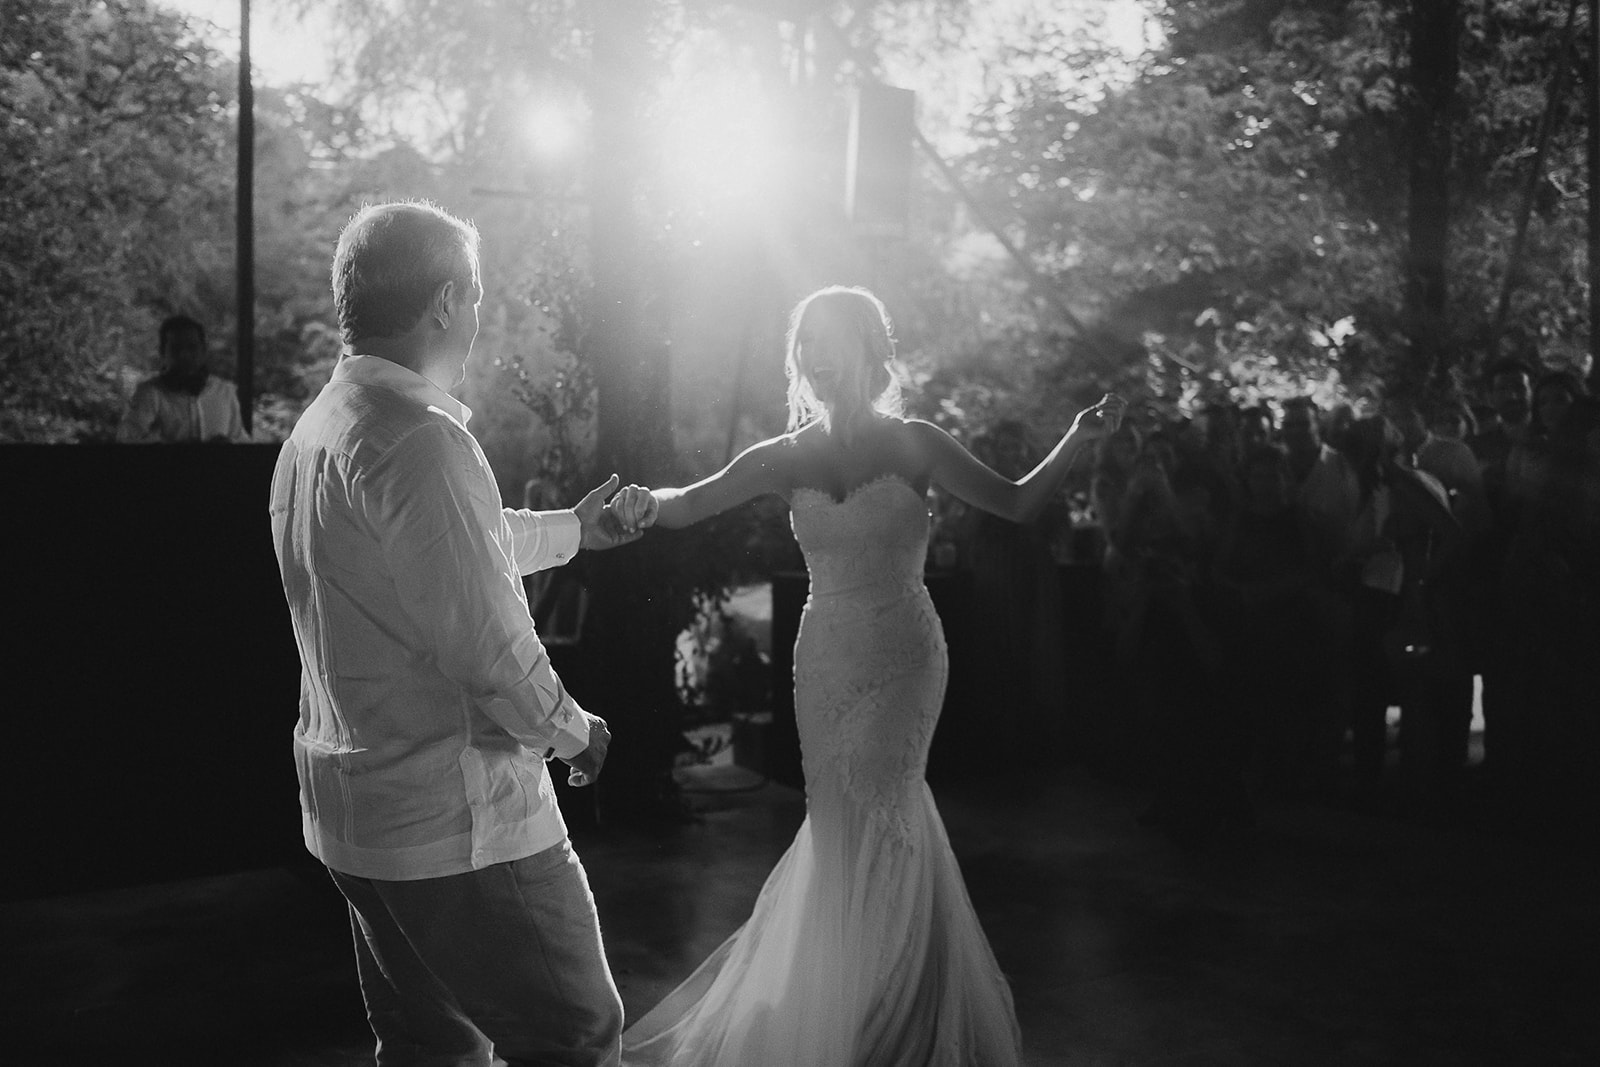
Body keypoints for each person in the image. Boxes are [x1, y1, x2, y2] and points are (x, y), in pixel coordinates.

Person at [607, 285, 1124, 1066]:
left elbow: (1015, 504)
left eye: (830, 338)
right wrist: (647, 503)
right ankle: (843, 1008)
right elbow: (695, 501)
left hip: (906, 657)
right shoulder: (784, 455)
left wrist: (1078, 438)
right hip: (826, 659)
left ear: (868, 349)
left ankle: (897, 1023)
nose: (815, 354)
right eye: (805, 341)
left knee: (885, 803)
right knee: (842, 826)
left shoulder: (915, 442)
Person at [269, 201, 642, 1067]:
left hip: (359, 822)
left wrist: (574, 531)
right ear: (442, 301)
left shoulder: (318, 433)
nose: (477, 319)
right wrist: (576, 731)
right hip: (457, 823)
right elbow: (486, 645)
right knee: (577, 1036)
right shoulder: (423, 441)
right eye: (473, 295)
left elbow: (443, 550)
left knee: (429, 1051)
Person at [117, 314, 249, 442]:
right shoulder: (149, 394)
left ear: (204, 351)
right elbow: (126, 440)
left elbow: (241, 440)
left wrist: (229, 443)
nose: (184, 355)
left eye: (192, 347)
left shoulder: (225, 392)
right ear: (162, 353)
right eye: (176, 348)